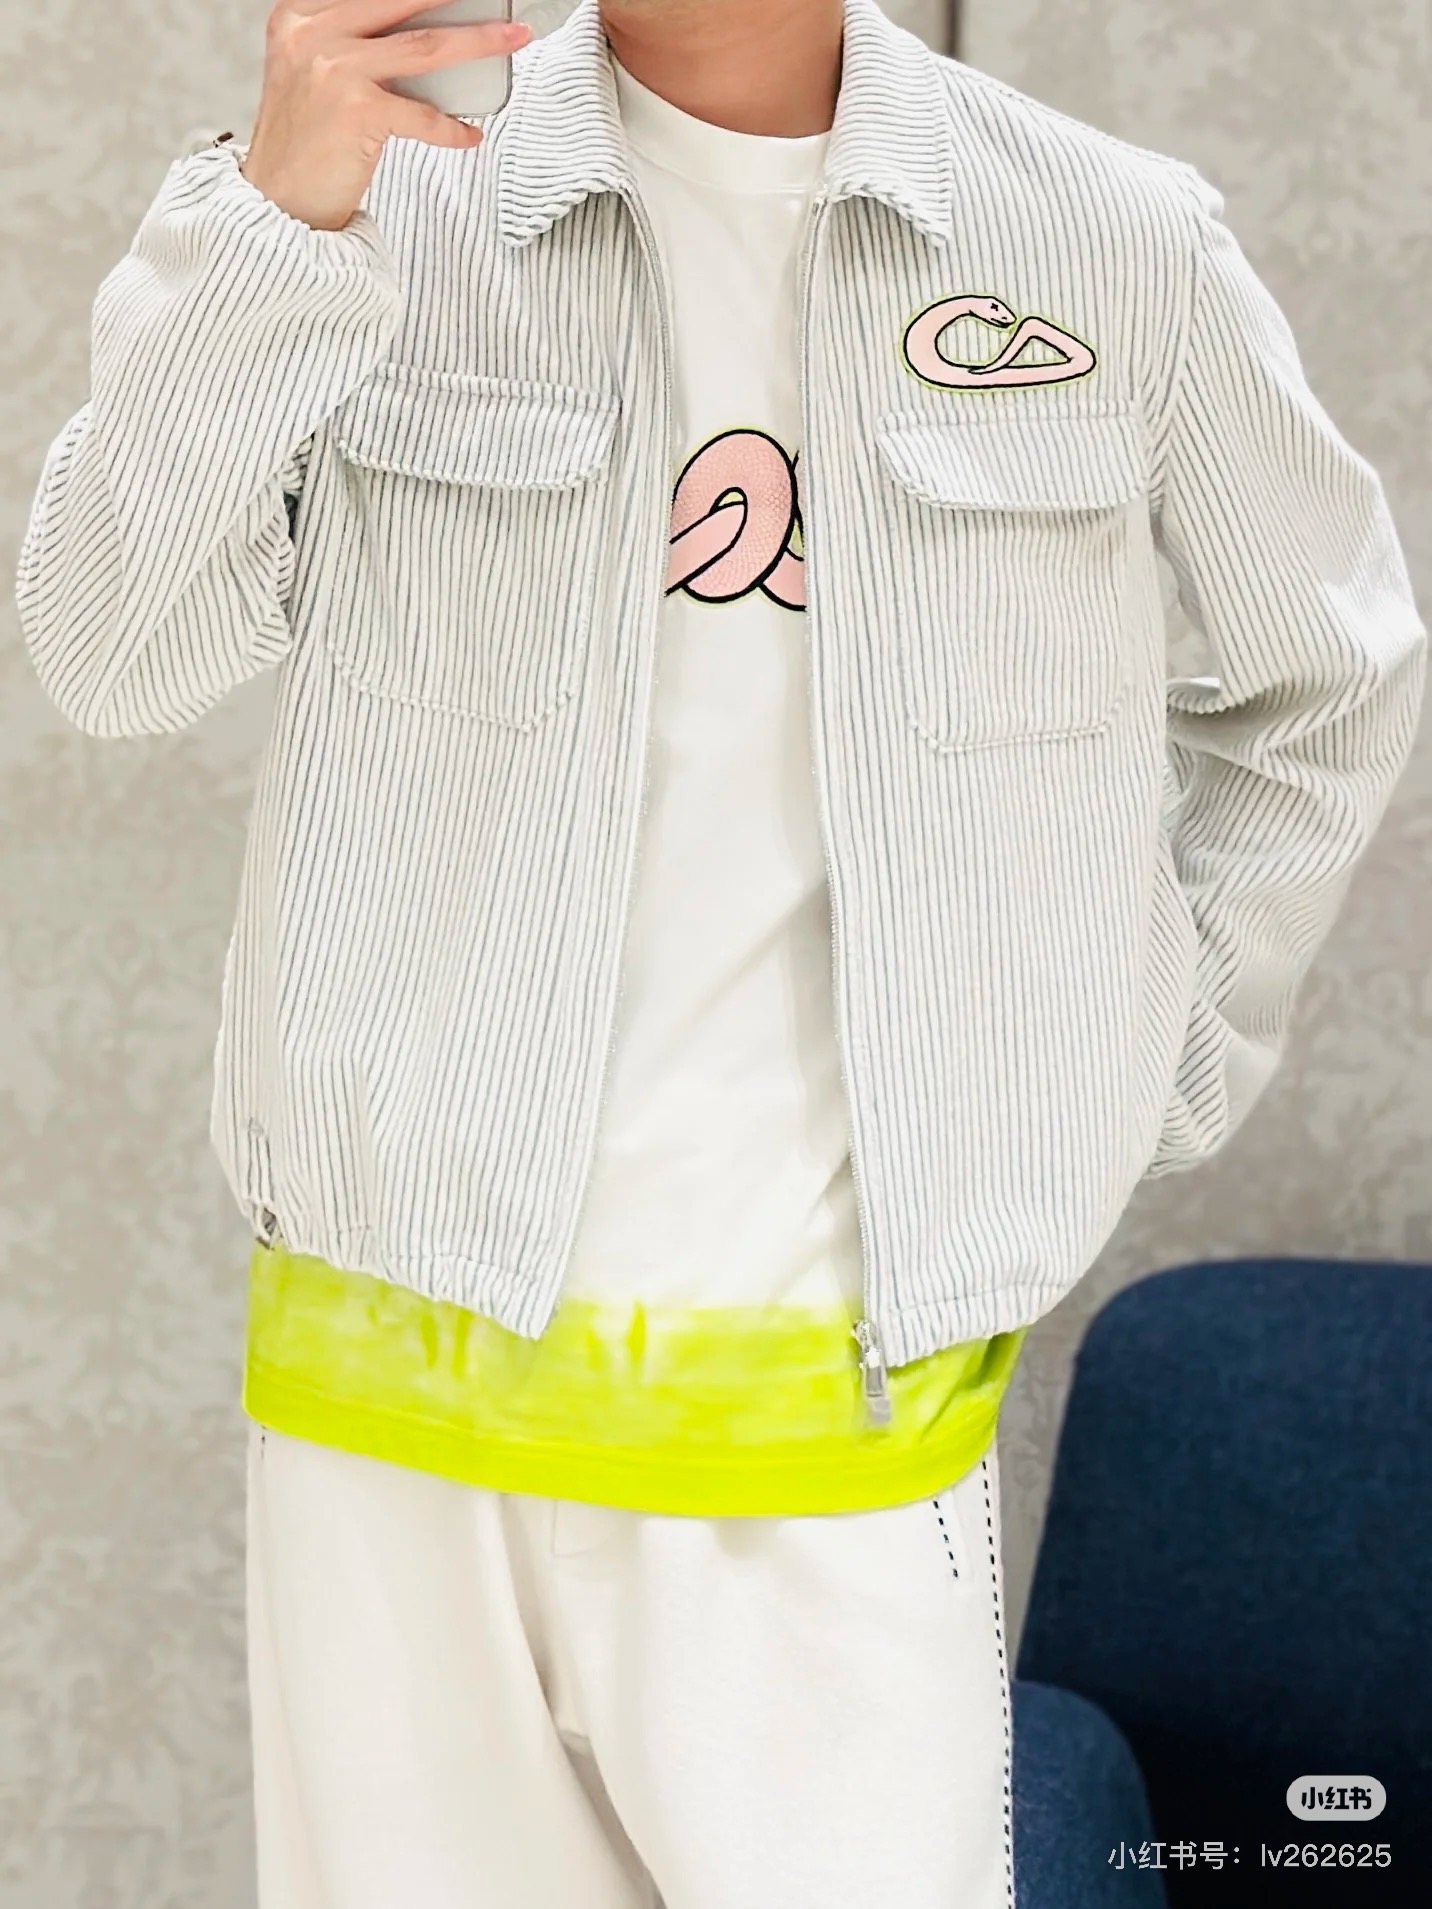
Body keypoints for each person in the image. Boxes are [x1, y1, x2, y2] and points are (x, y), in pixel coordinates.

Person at [15, 0, 1426, 1902]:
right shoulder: (367, 202)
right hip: (392, 1426)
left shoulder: (1110, 241)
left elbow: (1326, 677)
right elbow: (113, 651)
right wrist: (274, 220)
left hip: (834, 1441)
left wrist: (1139, 1057)